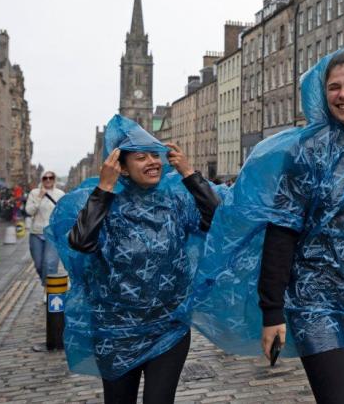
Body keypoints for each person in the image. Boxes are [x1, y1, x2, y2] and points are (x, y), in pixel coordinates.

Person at [186, 49, 344, 404]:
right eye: (334, 87)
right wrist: (272, 310)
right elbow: (282, 230)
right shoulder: (306, 151)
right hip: (312, 300)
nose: (343, 94)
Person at [53, 115, 221, 403]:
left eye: (155, 155)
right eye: (141, 157)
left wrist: (189, 173)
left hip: (168, 328)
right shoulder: (102, 202)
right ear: (123, 168)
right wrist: (104, 189)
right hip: (115, 330)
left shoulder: (177, 201)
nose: (152, 162)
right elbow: (80, 242)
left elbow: (220, 221)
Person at [25, 171, 65, 289]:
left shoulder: (60, 194)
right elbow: (29, 211)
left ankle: (48, 290)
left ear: (54, 179)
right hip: (36, 233)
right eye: (45, 178)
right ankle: (46, 284)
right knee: (38, 264)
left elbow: (64, 213)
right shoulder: (34, 193)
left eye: (51, 177)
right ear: (41, 179)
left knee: (50, 263)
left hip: (52, 233)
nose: (48, 180)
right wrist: (39, 198)